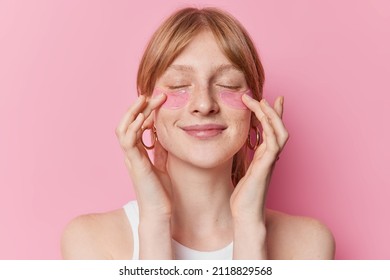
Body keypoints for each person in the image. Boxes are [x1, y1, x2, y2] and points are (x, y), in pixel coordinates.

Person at [61, 7, 335, 260]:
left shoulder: (308, 244)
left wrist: (249, 224)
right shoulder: (92, 241)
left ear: (255, 112)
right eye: (180, 85)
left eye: (227, 84)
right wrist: (155, 220)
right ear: (146, 110)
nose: (204, 104)